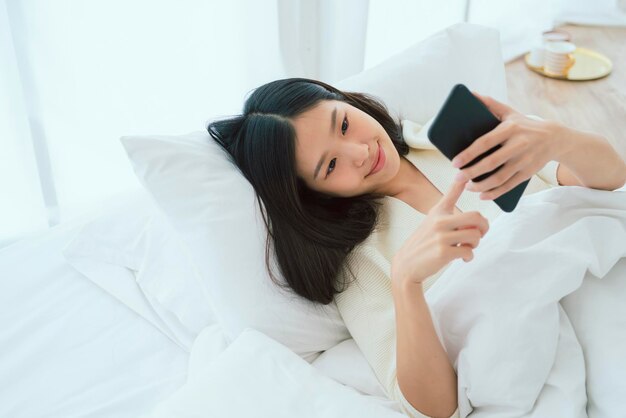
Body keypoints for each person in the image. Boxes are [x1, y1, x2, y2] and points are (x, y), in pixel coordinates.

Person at [208, 78, 626, 418]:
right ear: (312, 193)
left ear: (348, 101)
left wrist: (557, 139)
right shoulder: (359, 262)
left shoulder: (451, 134)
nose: (360, 152)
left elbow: (610, 185)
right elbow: (432, 407)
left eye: (344, 125)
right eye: (330, 166)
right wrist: (406, 280)